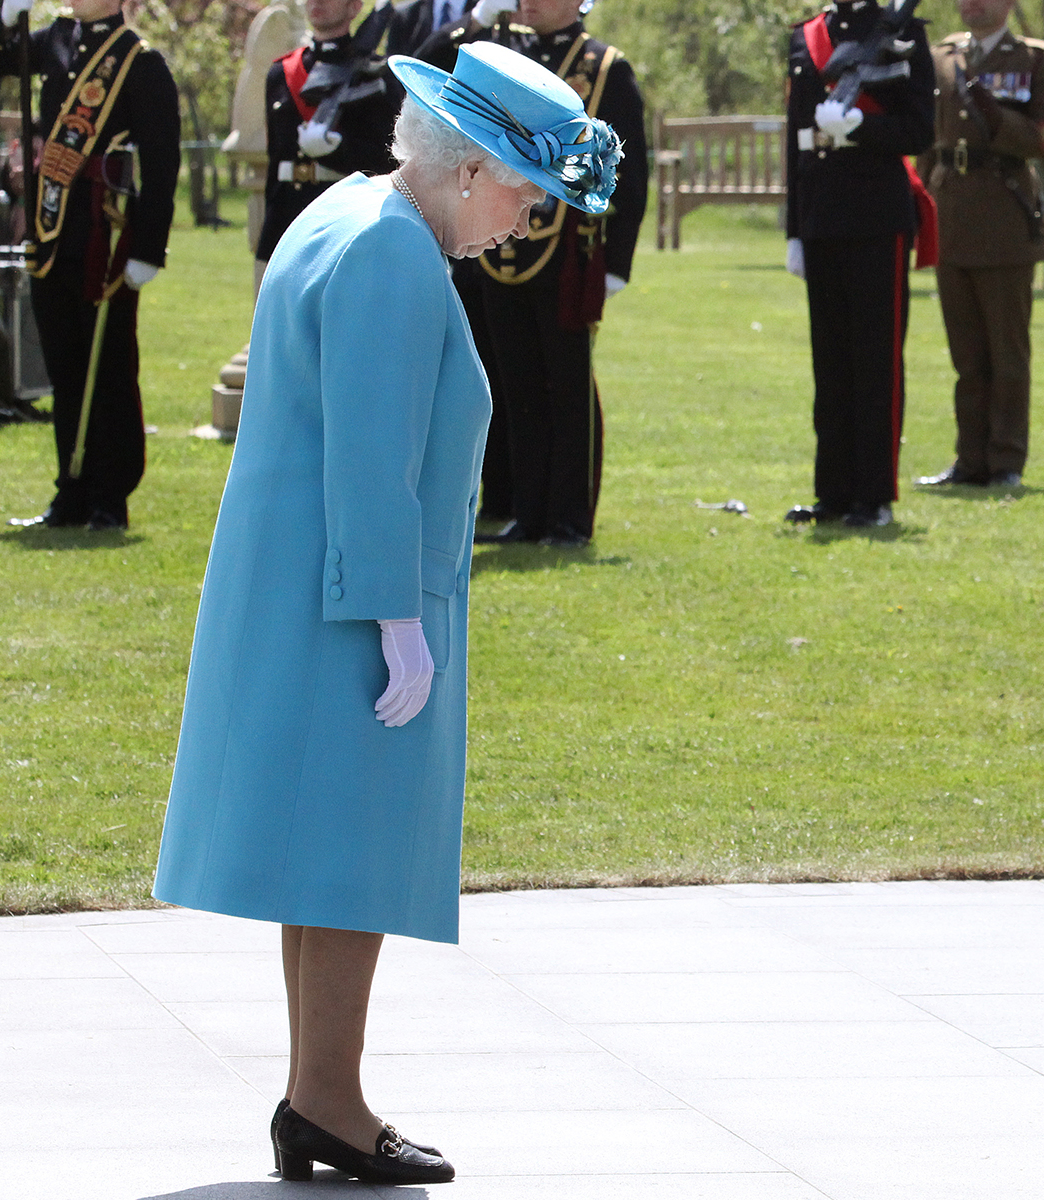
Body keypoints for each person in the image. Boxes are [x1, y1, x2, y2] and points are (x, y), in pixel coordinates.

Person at [150, 42, 619, 1184]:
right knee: (350, 857)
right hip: (346, 602)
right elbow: (372, 456)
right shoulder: (392, 257)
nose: (525, 223)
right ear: (468, 171)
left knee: (320, 859)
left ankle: (320, 1098)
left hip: (301, 587)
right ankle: (331, 1103)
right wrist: (396, 615)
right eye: (524, 195)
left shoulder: (351, 211)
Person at [420, 0, 646, 546]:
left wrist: (616, 263)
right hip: (502, 247)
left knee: (567, 385)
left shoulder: (604, 65)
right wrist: (474, 20)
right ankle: (527, 510)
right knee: (513, 383)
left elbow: (631, 172)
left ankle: (569, 519)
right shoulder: (505, 53)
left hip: (569, 253)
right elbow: (422, 70)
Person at [0, 0, 179, 532]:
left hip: (105, 235)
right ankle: (69, 491)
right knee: (65, 367)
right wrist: (5, 19)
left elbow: (163, 163)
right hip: (52, 232)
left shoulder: (141, 62)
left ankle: (108, 496)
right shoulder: (52, 42)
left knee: (110, 366)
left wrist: (148, 249)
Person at [783, 0, 935, 529]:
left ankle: (874, 495)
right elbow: (794, 138)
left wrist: (860, 127)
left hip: (876, 216)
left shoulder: (903, 32)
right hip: (822, 213)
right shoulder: (806, 36)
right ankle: (834, 492)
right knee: (830, 363)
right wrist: (794, 228)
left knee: (876, 363)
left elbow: (919, 131)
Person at [914, 0, 1044, 492]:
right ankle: (969, 460)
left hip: (1005, 216)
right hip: (951, 214)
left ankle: (1005, 461)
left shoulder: (1035, 59)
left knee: (1007, 352)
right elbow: (927, 137)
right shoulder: (943, 56)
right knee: (967, 355)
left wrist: (997, 122)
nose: (971, 5)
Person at [256, 0, 402, 265]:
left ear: (355, 7)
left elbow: (388, 160)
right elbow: (275, 161)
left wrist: (339, 151)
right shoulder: (282, 72)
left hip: (348, 220)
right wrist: (268, 235)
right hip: (287, 220)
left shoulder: (377, 73)